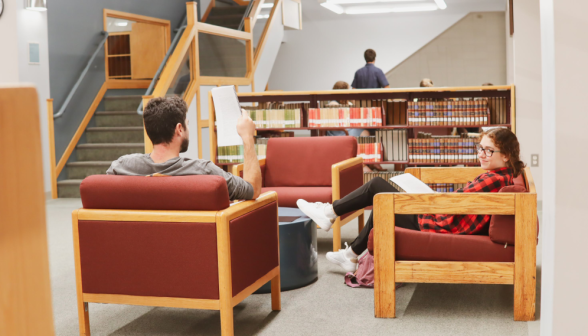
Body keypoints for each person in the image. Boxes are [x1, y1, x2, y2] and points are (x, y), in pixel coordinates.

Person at [297, 128, 524, 272]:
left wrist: (425, 198)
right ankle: (350, 252)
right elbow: (463, 200)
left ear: (506, 155)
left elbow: (457, 203)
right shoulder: (502, 176)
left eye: (489, 151)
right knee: (382, 198)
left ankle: (330, 216)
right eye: (480, 148)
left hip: (441, 223)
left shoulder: (493, 179)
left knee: (378, 188)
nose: (481, 155)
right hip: (444, 216)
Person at [106, 96, 261, 201]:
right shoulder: (204, 172)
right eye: (187, 123)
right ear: (179, 129)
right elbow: (253, 189)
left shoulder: (121, 168)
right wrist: (247, 137)